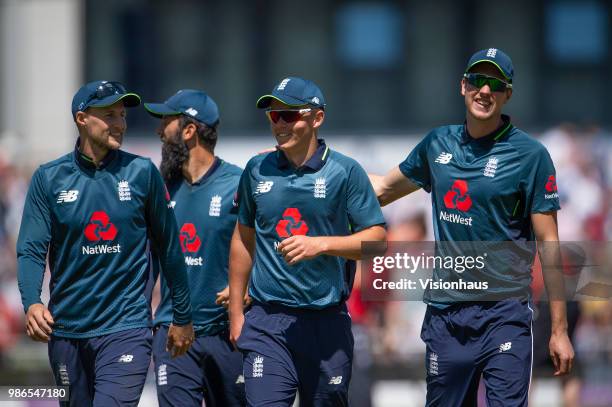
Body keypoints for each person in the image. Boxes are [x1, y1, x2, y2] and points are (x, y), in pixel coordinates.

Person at [370, 49, 575, 406]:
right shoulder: (437, 144)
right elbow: (383, 190)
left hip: (505, 313)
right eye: (477, 81)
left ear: (507, 93)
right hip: (447, 317)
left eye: (495, 84)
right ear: (462, 86)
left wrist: (559, 331)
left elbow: (550, 244)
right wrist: (311, 171)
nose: (485, 91)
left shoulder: (531, 156)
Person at [16, 80, 194, 407]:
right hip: (67, 331)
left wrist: (182, 316)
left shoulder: (142, 172)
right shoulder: (48, 178)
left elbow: (170, 247)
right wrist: (32, 302)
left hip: (126, 327)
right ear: (82, 118)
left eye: (123, 116)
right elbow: (31, 249)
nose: (120, 124)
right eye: (110, 115)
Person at [228, 76, 386, 406]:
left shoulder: (345, 171)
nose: (280, 124)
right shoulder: (257, 169)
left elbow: (377, 242)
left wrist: (322, 244)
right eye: (274, 115)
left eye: (289, 116)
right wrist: (236, 315)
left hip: (326, 323)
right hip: (267, 323)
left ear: (317, 118)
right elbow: (243, 240)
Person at [144, 89, 246, 406]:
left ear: (189, 131)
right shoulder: (159, 189)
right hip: (173, 334)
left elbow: (267, 251)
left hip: (226, 334)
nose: (159, 131)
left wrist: (248, 290)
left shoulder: (239, 184)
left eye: (166, 123)